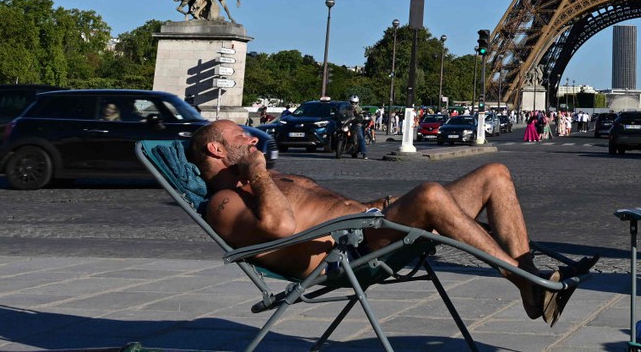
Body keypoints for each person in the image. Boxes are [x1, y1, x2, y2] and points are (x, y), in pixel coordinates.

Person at [189, 120, 594, 325]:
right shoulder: (223, 203)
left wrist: (380, 205)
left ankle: (530, 287)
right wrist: (258, 172)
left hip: (373, 225)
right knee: (432, 195)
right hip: (346, 254)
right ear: (216, 149)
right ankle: (533, 285)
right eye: (241, 137)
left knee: (496, 173)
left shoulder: (257, 182)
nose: (253, 139)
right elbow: (279, 227)